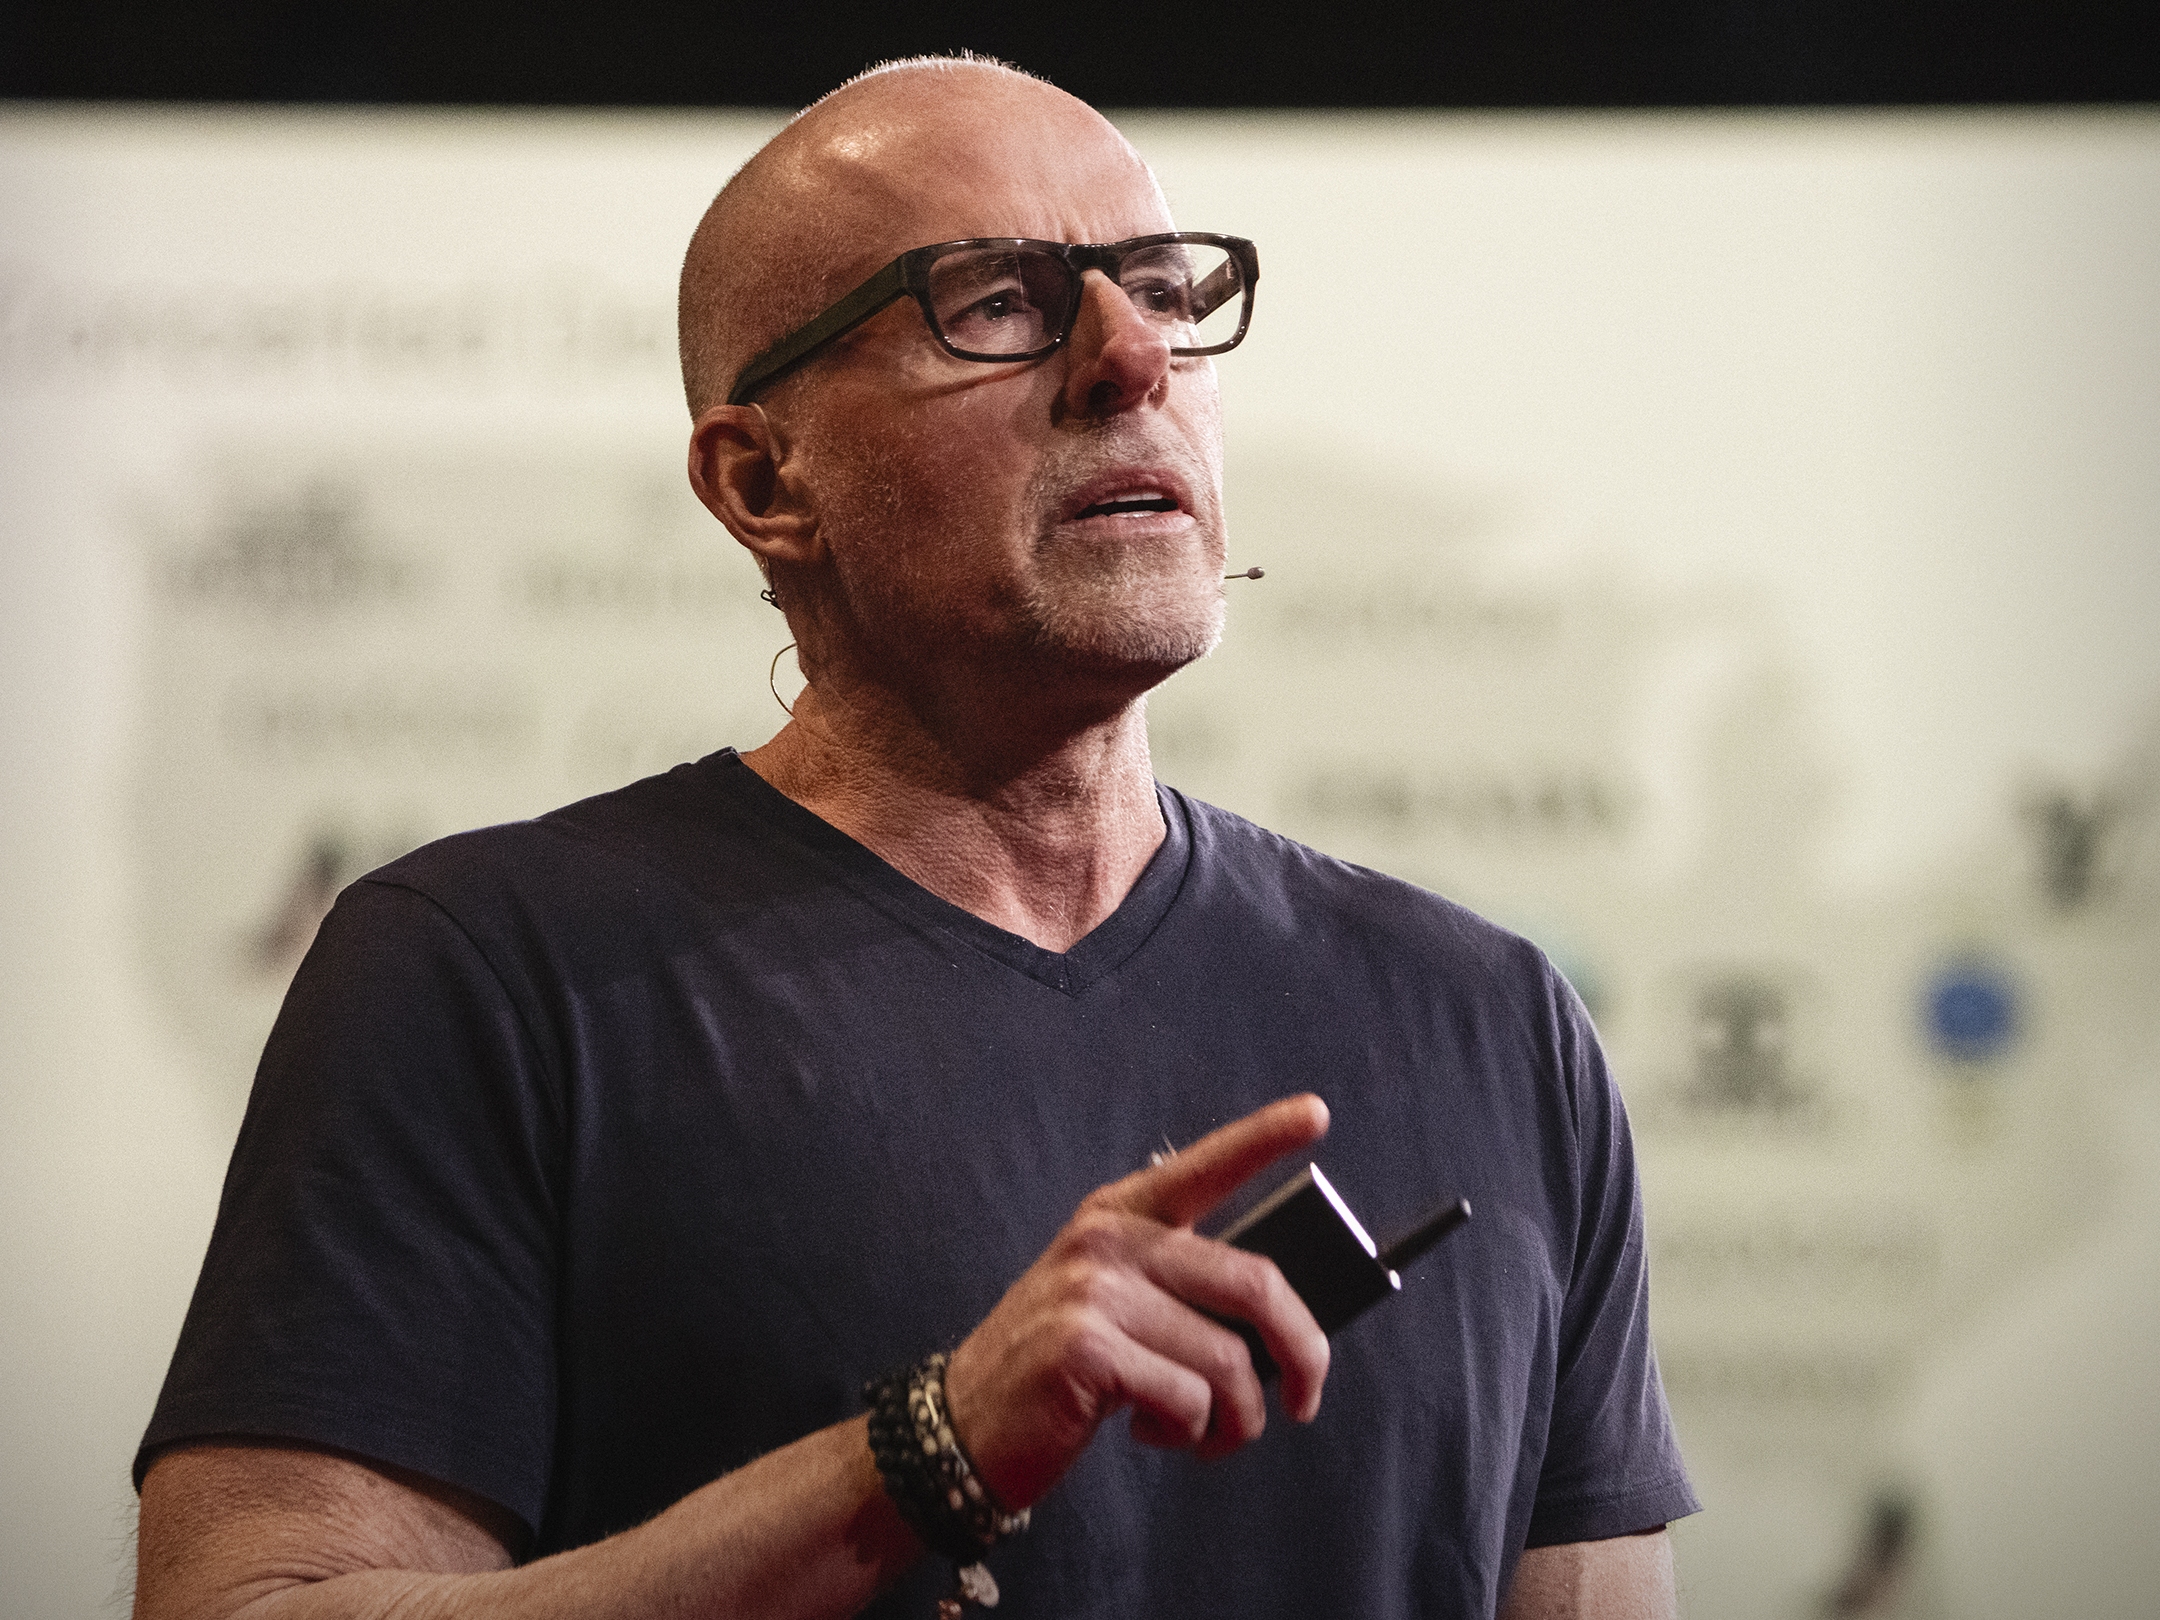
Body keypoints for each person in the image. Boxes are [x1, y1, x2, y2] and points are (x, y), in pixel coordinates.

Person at [132, 55, 1697, 1620]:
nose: (1130, 358)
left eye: (1162, 286)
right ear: (761, 480)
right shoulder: (489, 977)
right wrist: (925, 1455)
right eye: (999, 303)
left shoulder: (1490, 1019)